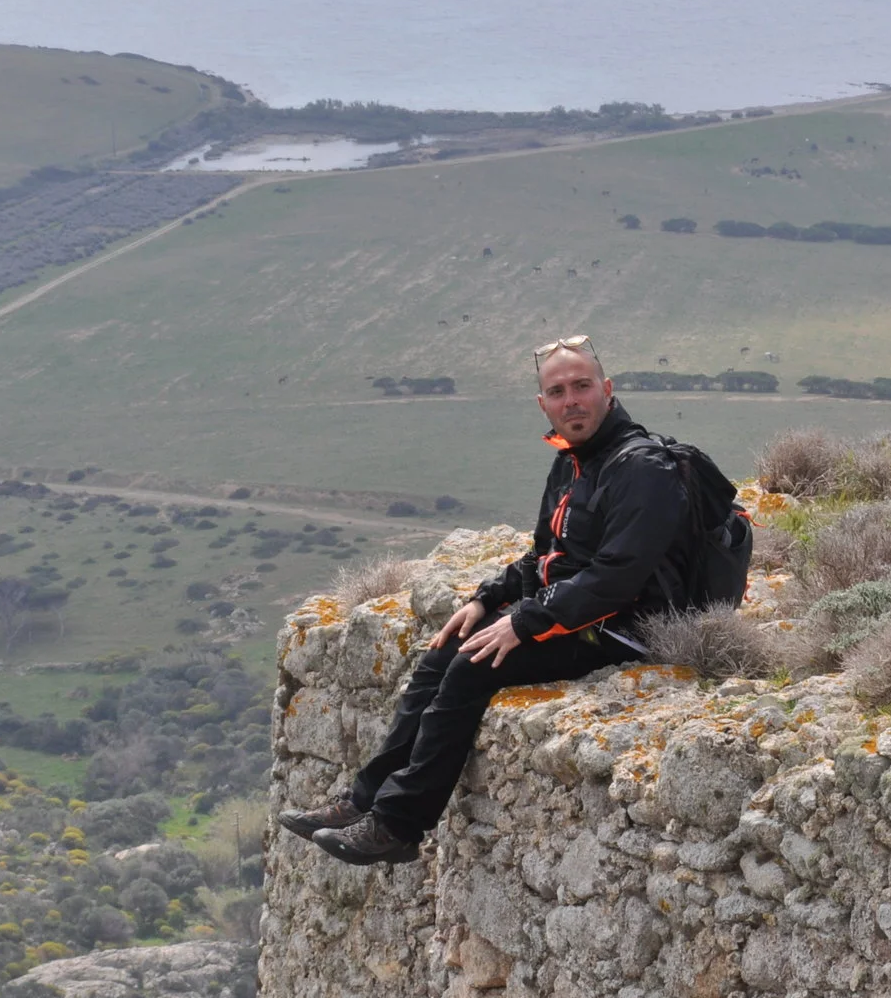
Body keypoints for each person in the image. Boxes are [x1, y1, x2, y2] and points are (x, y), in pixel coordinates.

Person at [283, 336, 698, 866]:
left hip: (627, 627)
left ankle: (398, 826)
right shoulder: (574, 462)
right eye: (557, 391)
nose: (571, 400)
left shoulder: (640, 468)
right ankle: (362, 801)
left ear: (607, 390)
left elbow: (617, 577)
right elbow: (547, 555)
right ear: (543, 404)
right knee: (444, 650)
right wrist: (488, 599)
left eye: (582, 386)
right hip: (577, 610)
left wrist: (525, 622)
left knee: (471, 667)